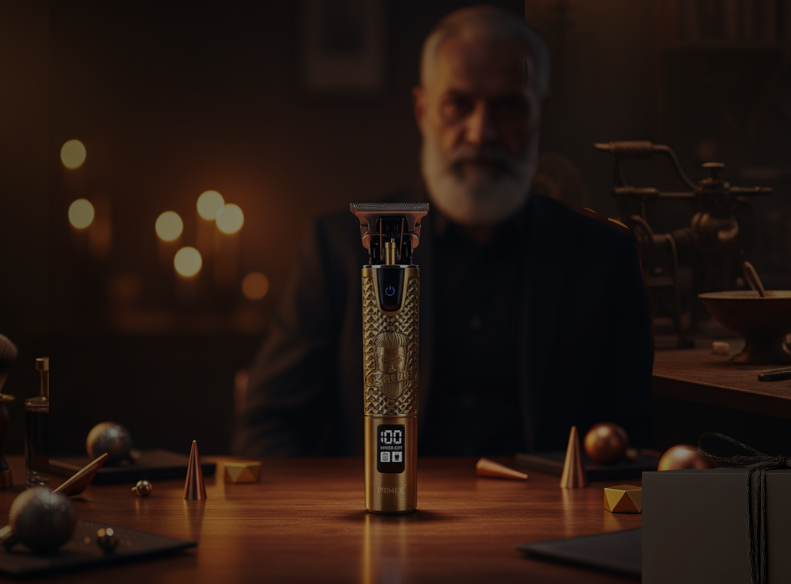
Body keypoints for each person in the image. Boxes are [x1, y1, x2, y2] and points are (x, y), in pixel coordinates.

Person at [234, 5, 652, 457]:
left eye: (508, 106)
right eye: (458, 104)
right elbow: (268, 429)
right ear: (422, 110)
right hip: (381, 520)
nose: (480, 132)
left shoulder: (603, 256)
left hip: (554, 523)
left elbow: (631, 441)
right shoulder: (338, 248)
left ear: (539, 114)